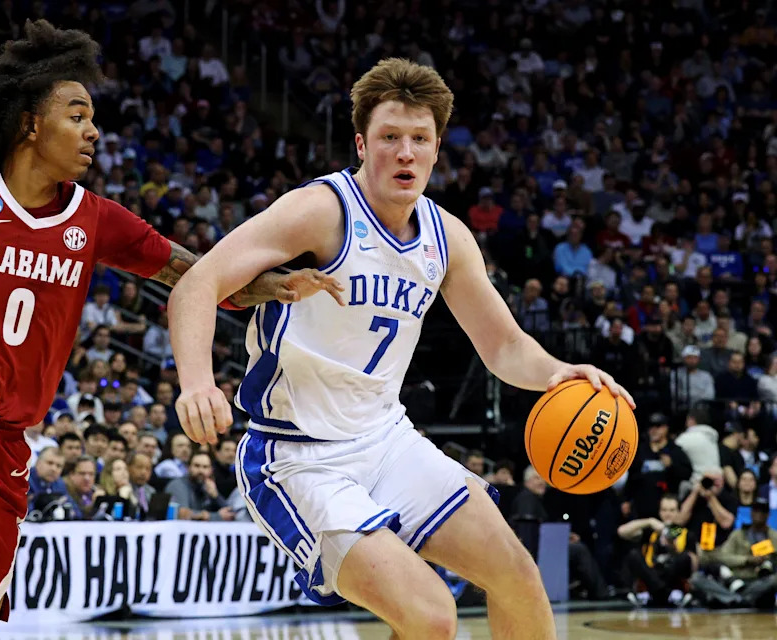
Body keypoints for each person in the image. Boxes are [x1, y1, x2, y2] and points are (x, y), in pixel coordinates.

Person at [0, 20, 339, 640]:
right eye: (77, 114)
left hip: (1, 449)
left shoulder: (95, 220)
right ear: (30, 124)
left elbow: (197, 277)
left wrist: (272, 285)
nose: (94, 130)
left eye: (93, 117)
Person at [165, 58, 634, 639]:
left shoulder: (447, 238)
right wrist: (196, 381)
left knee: (518, 576)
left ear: (438, 149)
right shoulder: (321, 211)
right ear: (362, 144)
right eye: (390, 138)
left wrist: (563, 374)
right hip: (299, 456)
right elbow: (197, 282)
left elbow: (505, 346)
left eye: (419, 139)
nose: (405, 153)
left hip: (386, 440)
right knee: (431, 616)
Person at [618, 494, 697, 608]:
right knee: (633, 555)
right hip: (652, 575)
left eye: (672, 510)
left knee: (685, 558)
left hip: (672, 577)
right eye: (664, 510)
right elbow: (622, 531)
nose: (667, 514)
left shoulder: (686, 534)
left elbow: (693, 565)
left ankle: (661, 592)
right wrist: (649, 522)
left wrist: (671, 543)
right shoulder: (651, 532)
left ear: (678, 512)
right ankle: (662, 592)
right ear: (659, 512)